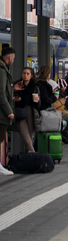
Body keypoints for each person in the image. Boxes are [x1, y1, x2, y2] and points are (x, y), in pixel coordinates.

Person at [13, 67, 40, 152]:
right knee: (27, 140)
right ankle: (35, 158)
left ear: (31, 75)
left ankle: (27, 161)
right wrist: (14, 99)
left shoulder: (35, 86)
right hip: (20, 113)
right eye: (24, 73)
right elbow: (9, 98)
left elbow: (38, 105)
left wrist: (37, 101)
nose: (25, 75)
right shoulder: (17, 85)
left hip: (31, 113)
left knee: (29, 139)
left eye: (28, 74)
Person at [0, 47, 16, 175]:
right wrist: (9, 111)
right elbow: (1, 93)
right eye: (14, 58)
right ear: (9, 57)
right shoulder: (2, 71)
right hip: (1, 113)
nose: (13, 60)